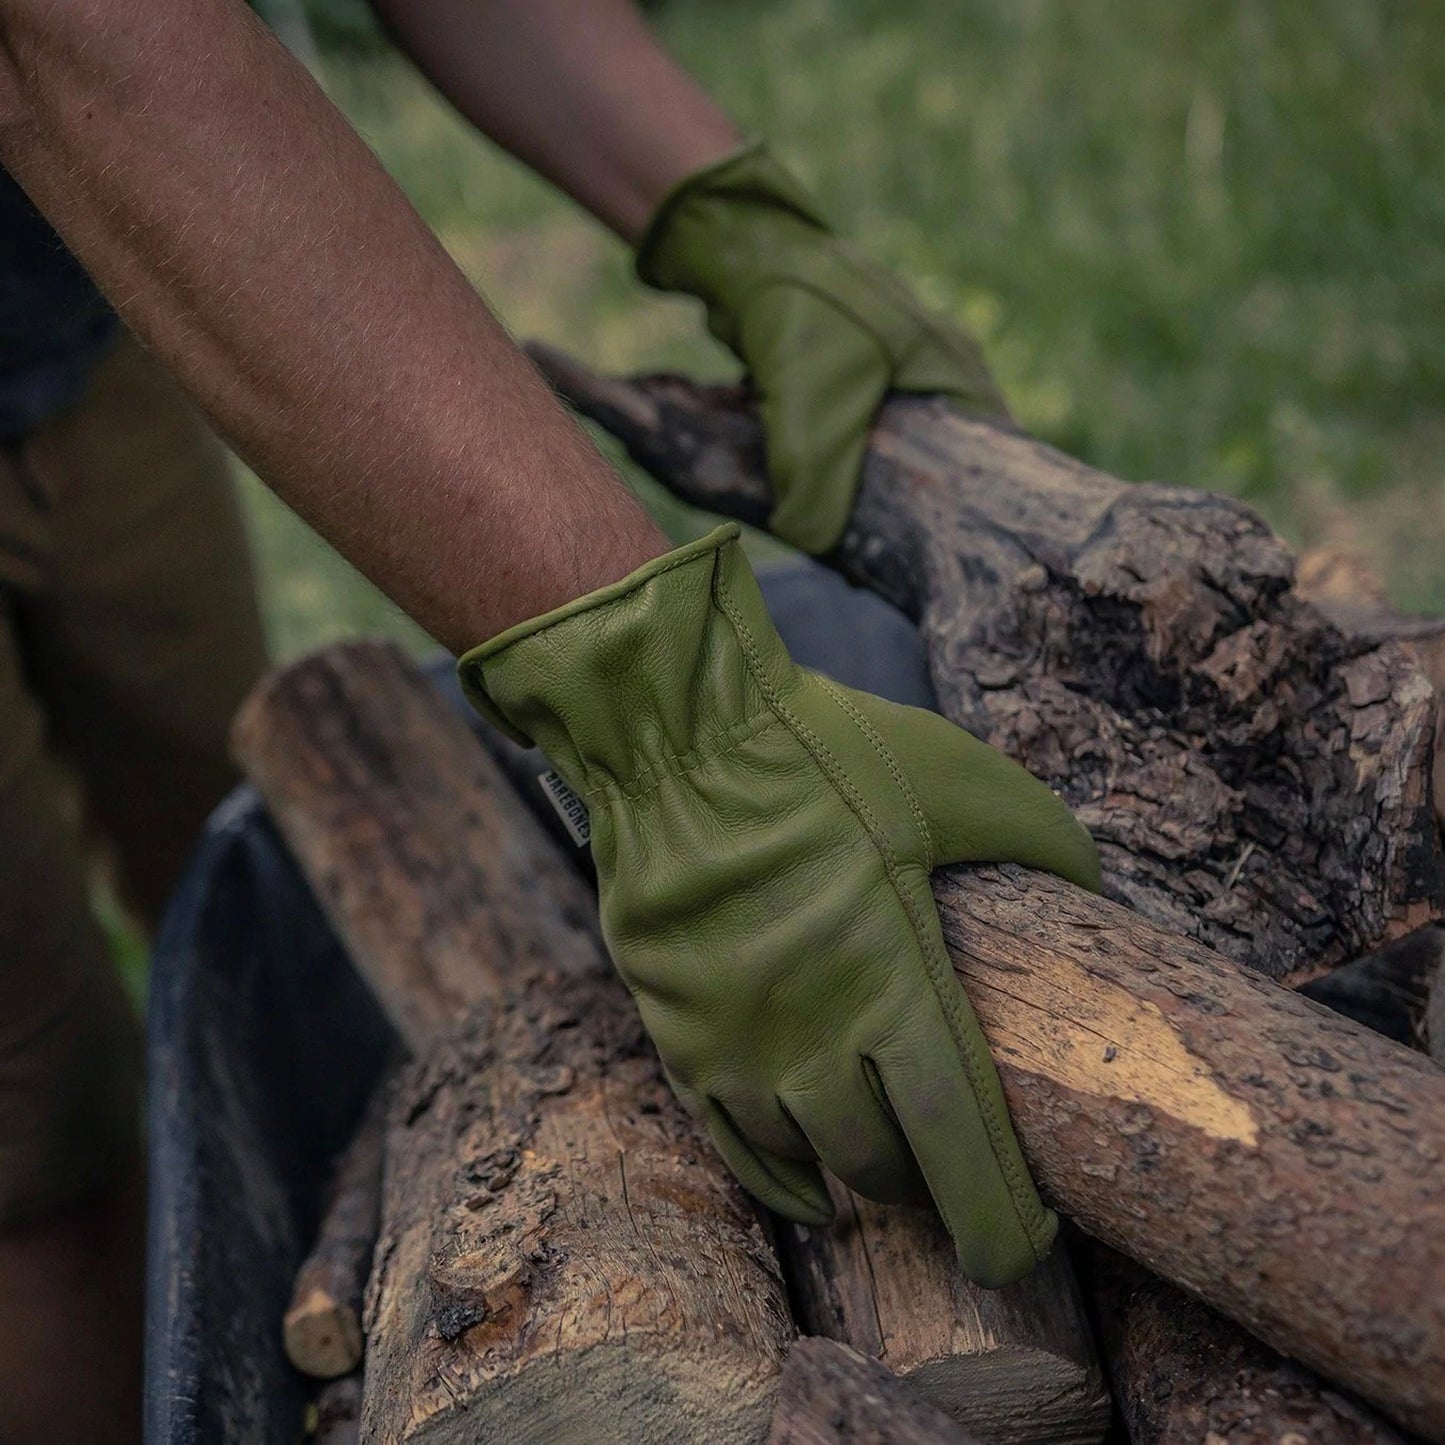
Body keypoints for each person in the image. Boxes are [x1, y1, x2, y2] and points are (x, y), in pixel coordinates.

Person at [0, 2, 1100, 1439]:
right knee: (39, 1142)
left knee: (244, 919)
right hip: (88, 112)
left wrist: (741, 221)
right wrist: (663, 716)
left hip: (67, 317)